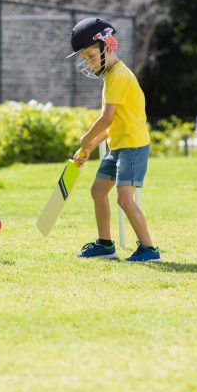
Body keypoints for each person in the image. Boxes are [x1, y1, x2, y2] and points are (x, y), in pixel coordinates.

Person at [68, 17, 160, 262]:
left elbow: (106, 118)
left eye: (90, 55)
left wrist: (86, 139)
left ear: (107, 46)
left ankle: (149, 249)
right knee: (98, 191)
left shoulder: (119, 75)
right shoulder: (110, 76)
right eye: (84, 57)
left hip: (132, 145)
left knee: (123, 198)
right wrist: (89, 147)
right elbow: (112, 125)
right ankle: (106, 245)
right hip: (117, 144)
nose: (88, 62)